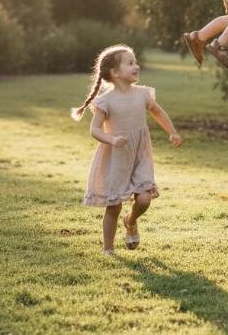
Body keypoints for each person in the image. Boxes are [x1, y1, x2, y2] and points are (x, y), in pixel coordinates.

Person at [71, 44, 182, 256]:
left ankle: (131, 221)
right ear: (115, 73)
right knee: (114, 206)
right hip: (116, 156)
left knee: (144, 199)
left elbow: (158, 112)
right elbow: (94, 130)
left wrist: (173, 132)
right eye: (130, 63)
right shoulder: (106, 101)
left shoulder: (142, 94)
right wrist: (111, 139)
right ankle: (108, 249)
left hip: (140, 154)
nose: (136, 66)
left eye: (136, 61)